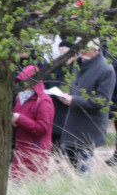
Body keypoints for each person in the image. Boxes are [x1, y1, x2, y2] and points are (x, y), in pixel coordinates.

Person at [55, 43, 116, 174]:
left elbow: (103, 100)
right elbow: (73, 85)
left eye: (84, 50)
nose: (80, 53)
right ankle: (77, 185)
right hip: (74, 119)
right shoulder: (78, 64)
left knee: (83, 161)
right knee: (69, 150)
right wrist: (65, 95)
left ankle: (83, 186)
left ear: (94, 50)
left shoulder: (106, 69)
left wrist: (73, 100)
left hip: (90, 123)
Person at [11, 65, 55, 182]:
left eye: (25, 81)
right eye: (20, 81)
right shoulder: (19, 98)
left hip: (37, 151)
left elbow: (42, 128)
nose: (22, 85)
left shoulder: (43, 101)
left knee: (32, 187)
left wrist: (19, 118)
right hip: (20, 149)